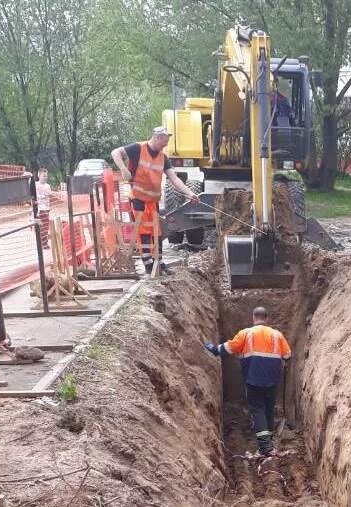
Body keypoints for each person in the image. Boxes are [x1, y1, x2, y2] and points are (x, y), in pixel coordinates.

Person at [204, 306, 292, 456]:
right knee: (268, 410)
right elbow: (288, 355)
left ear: (253, 318)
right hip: (272, 381)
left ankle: (265, 447)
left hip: (253, 380)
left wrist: (212, 348)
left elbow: (227, 349)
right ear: (267, 318)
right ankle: (268, 442)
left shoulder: (245, 334)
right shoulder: (277, 335)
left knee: (258, 411)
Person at [111, 126, 199, 275]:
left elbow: (174, 179)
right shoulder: (137, 148)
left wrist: (189, 193)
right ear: (157, 138)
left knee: (157, 232)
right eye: (164, 142)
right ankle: (148, 264)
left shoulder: (163, 158)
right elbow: (115, 153)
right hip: (138, 199)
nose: (165, 146)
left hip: (153, 201)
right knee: (144, 232)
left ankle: (159, 261)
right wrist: (123, 169)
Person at [35, 168, 51, 249]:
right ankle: (42, 243)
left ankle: (44, 243)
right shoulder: (35, 185)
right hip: (39, 210)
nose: (45, 177)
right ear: (39, 176)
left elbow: (48, 196)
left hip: (46, 208)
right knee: (41, 226)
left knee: (46, 227)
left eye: (46, 176)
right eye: (44, 176)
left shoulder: (47, 186)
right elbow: (35, 197)